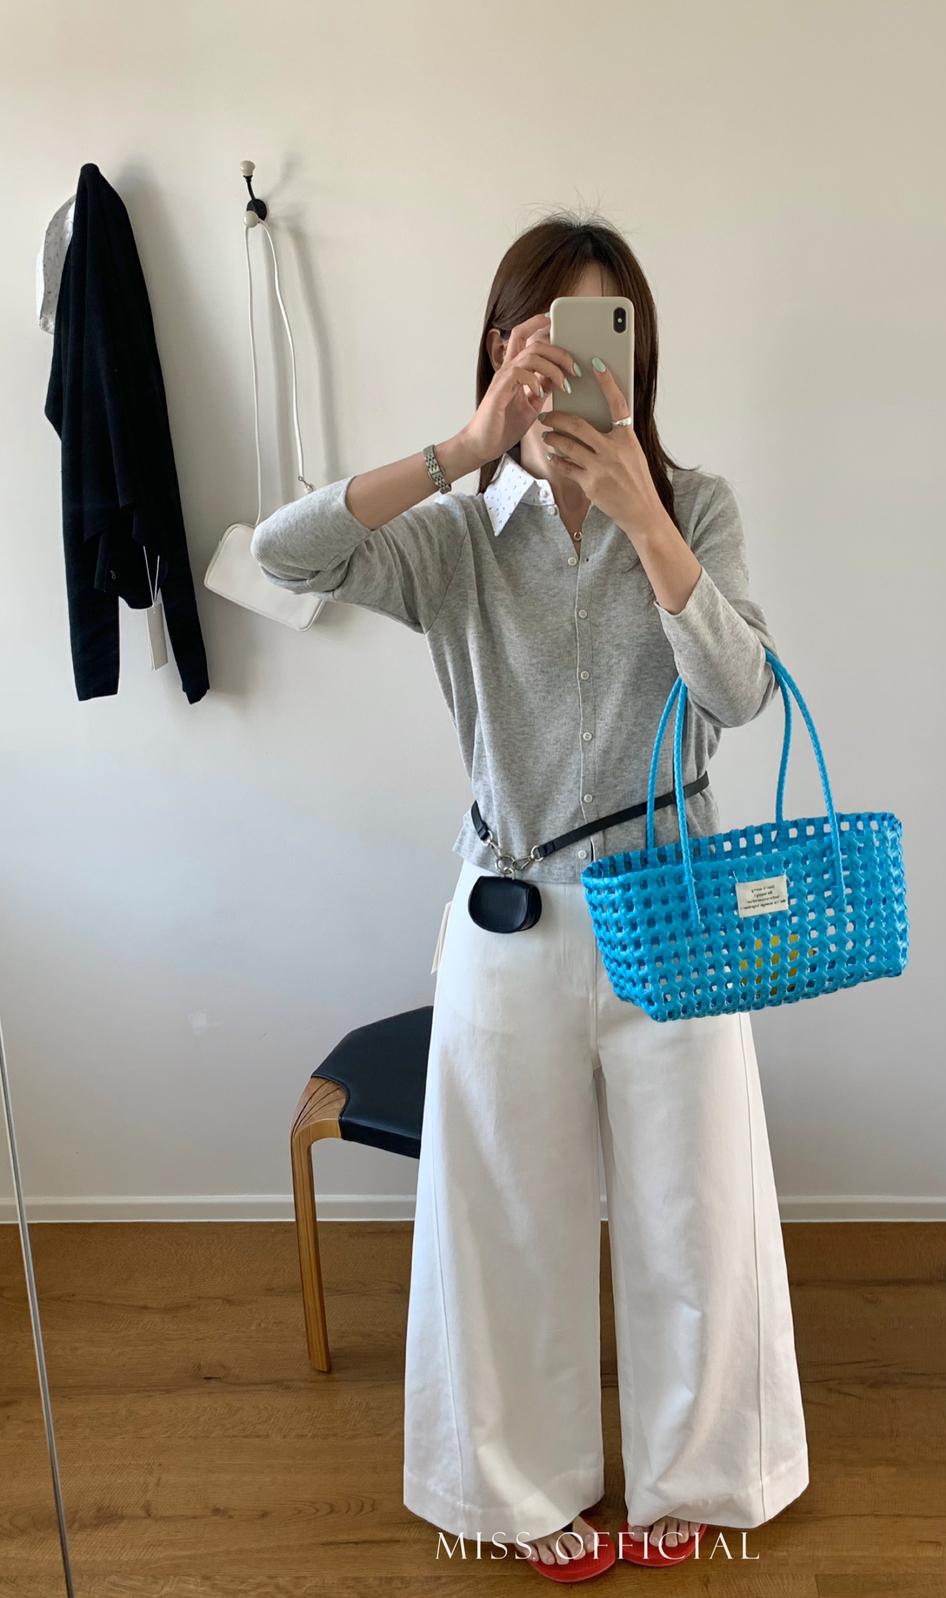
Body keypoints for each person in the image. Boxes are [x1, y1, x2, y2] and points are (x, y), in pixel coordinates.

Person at [251, 211, 808, 1578]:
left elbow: (741, 694)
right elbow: (283, 554)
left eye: (603, 336)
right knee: (506, 1222)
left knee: (695, 1212)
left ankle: (699, 1472)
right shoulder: (456, 533)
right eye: (544, 338)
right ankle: (514, 1487)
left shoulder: (698, 507)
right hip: (511, 920)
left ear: (639, 355)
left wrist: (644, 517)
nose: (574, 366)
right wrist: (462, 445)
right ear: (505, 349)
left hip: (674, 913)